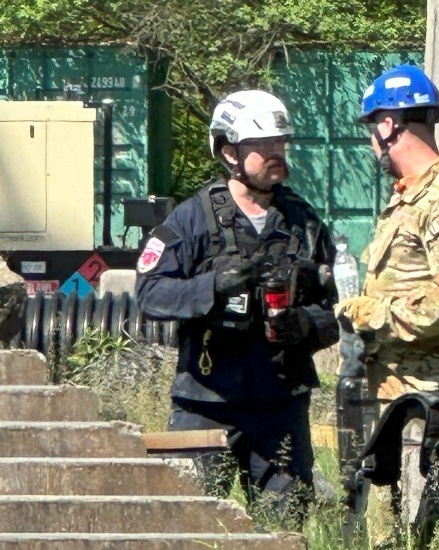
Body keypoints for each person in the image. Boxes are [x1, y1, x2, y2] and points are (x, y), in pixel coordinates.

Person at [135, 90, 339, 526]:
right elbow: (149, 295)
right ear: (229, 151)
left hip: (281, 407)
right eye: (263, 146)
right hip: (205, 405)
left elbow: (333, 313)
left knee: (284, 530)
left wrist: (305, 323)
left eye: (280, 144)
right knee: (184, 526)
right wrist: (212, 287)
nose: (276, 154)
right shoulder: (191, 221)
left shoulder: (305, 225)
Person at [334, 65, 439, 544]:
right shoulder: (406, 201)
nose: (370, 145)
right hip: (395, 401)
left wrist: (372, 315)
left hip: (432, 403)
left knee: (432, 533)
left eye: (370, 130)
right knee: (388, 533)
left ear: (388, 125)